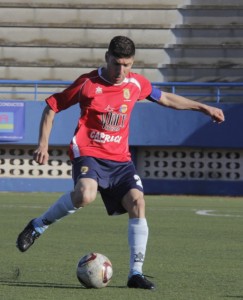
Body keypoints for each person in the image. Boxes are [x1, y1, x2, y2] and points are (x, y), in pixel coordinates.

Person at [16, 35, 225, 290]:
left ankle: (135, 273)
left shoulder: (137, 83)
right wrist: (43, 144)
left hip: (120, 160)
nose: (121, 70)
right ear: (107, 58)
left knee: (138, 202)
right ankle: (37, 226)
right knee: (85, 195)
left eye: (126, 64)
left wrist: (203, 108)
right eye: (116, 63)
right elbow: (52, 106)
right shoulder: (88, 84)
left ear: (133, 62)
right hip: (89, 152)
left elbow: (167, 99)